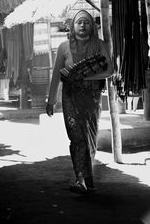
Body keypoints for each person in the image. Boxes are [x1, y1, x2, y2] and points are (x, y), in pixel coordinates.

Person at [46, 10, 113, 194]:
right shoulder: (63, 47)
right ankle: (80, 178)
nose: (82, 25)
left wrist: (85, 76)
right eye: (79, 22)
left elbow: (109, 71)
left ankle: (87, 179)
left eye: (86, 22)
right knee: (77, 138)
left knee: (89, 137)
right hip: (70, 99)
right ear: (72, 27)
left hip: (91, 100)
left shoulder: (99, 45)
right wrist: (51, 100)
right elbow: (56, 76)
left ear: (92, 26)